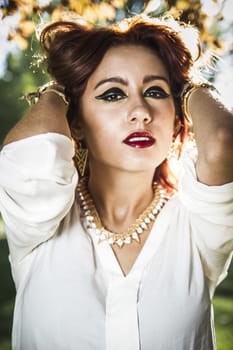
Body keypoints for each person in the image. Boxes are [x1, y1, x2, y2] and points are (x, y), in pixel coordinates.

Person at [0, 13, 232, 350]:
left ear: (177, 118)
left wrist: (188, 86)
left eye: (156, 91)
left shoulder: (199, 225)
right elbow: (32, 149)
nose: (140, 111)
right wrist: (59, 90)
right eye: (112, 94)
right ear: (75, 121)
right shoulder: (38, 221)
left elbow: (224, 141)